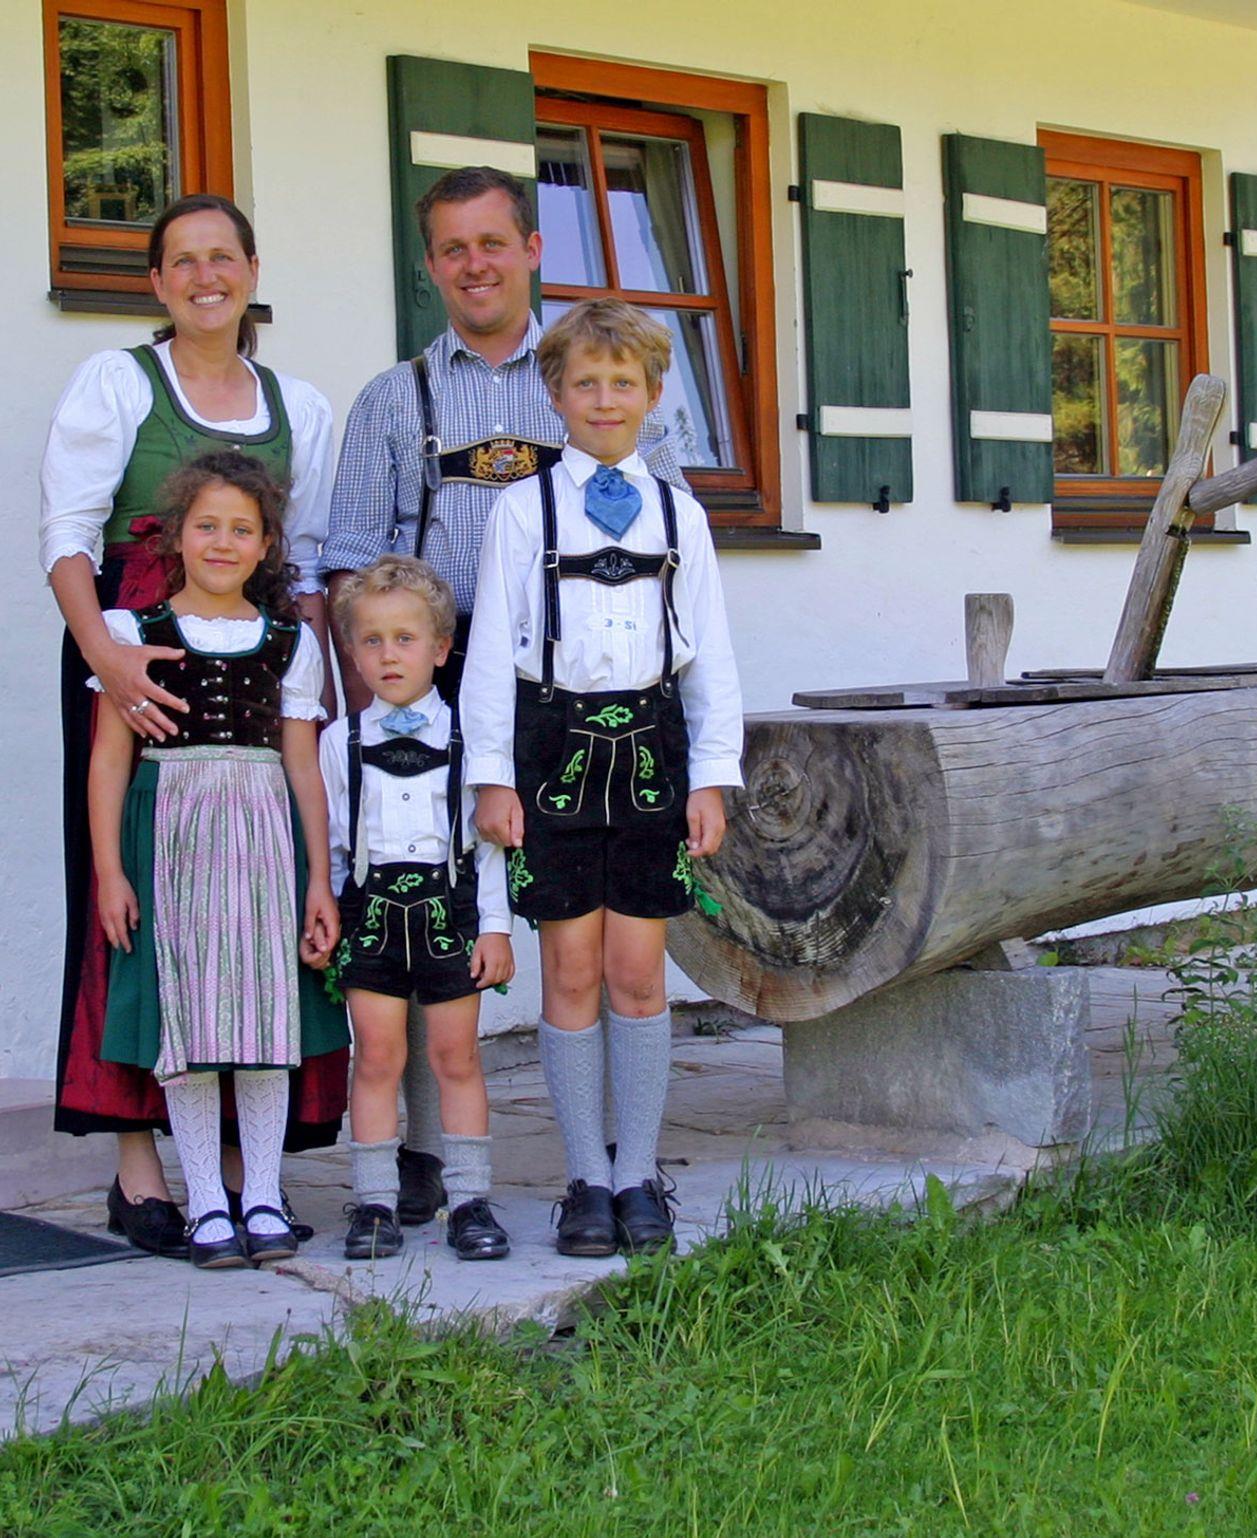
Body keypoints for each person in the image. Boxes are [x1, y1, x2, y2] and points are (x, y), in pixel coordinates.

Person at [319, 166, 695, 1226]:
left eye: (492, 242)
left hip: (576, 682)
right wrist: (382, 708)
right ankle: (428, 1150)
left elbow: (669, 530)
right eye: (453, 248)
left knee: (599, 937)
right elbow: (351, 565)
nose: (473, 263)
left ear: (532, 249)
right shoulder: (395, 398)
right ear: (431, 265)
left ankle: (620, 1156)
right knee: (427, 900)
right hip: (442, 682)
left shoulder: (586, 369)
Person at [42, 193, 346, 1255]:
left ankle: (240, 1170)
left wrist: (314, 683)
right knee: (129, 904)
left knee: (252, 911)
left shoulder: (297, 404)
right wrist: (106, 654)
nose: (206, 276)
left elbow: (304, 565)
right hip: (130, 652)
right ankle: (137, 1164)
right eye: (183, 260)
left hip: (254, 673)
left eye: (223, 257)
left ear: (252, 271)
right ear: (157, 281)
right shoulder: (117, 381)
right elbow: (69, 534)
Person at [464, 300, 742, 1257]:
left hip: (653, 753)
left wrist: (712, 776)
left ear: (653, 394)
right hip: (553, 753)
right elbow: (490, 655)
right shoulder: (522, 510)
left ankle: (639, 1176)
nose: (605, 399)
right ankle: (585, 1176)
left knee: (637, 973)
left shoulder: (680, 514)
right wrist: (492, 776)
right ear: (555, 394)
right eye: (585, 382)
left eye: (623, 383)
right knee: (572, 971)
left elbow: (710, 658)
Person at [86, 453, 346, 1269]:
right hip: (170, 833)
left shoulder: (292, 642)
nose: (223, 542)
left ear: (267, 544)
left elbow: (304, 765)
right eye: (207, 526)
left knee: (266, 1012)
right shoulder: (133, 636)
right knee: (188, 1017)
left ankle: (260, 1193)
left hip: (264, 834)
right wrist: (110, 872)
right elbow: (109, 761)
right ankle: (205, 1200)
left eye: (242, 529)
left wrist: (319, 878)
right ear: (176, 536)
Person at [322, 556, 514, 1262]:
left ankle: (468, 1199)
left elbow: (488, 849)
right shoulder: (339, 742)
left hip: (449, 913)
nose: (389, 655)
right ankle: (374, 1202)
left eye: (405, 639)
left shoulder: (471, 739)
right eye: (372, 640)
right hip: (371, 915)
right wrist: (329, 916)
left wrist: (495, 928)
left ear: (440, 648)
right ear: (352, 652)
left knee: (455, 1057)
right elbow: (336, 844)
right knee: (376, 1057)